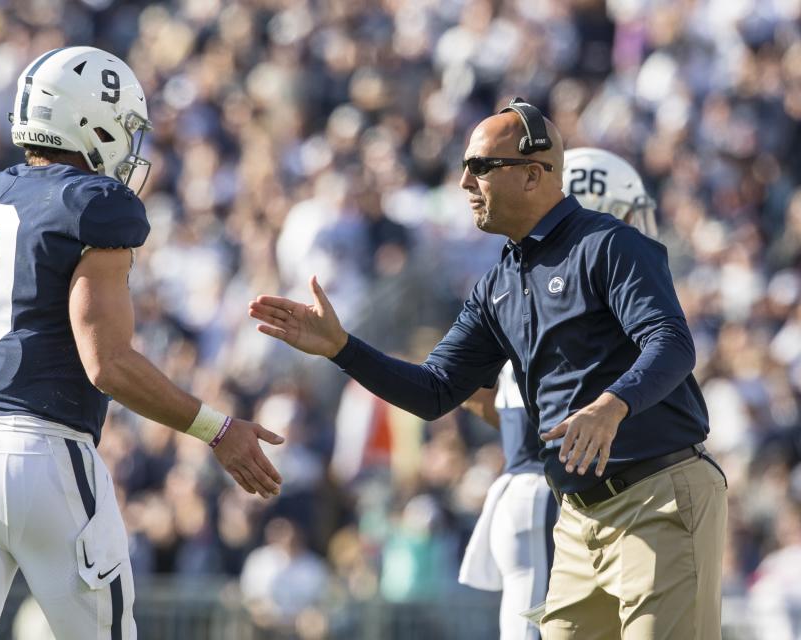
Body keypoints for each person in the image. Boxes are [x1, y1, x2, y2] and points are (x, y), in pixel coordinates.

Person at [249, 100, 727, 639]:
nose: (463, 182)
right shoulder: (498, 281)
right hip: (576, 517)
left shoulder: (608, 243)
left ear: (533, 174)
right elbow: (434, 393)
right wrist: (341, 348)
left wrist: (610, 405)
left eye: (480, 166)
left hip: (657, 493)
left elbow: (672, 341)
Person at [0, 46, 284, 640]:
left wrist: (7, 384)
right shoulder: (93, 204)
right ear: (89, 120)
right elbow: (107, 364)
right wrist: (217, 427)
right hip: (47, 459)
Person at [457, 147, 662, 640]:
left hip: (521, 485)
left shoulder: (520, 282)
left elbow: (471, 391)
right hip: (545, 496)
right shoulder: (571, 289)